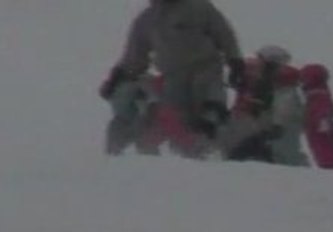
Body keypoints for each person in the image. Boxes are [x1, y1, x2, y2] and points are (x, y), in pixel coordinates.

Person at [99, 0, 246, 153]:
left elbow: (224, 34)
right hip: (173, 78)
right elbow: (135, 56)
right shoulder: (147, 19)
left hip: (205, 70)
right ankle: (187, 162)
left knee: (210, 111)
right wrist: (118, 76)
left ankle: (220, 150)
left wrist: (235, 61)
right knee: (179, 125)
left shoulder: (199, 8)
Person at [301, 63, 333, 169]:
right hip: (318, 129)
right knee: (322, 149)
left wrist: (323, 123)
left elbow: (322, 111)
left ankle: (330, 168)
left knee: (323, 150)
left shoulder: (318, 95)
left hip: (319, 130)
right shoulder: (320, 94)